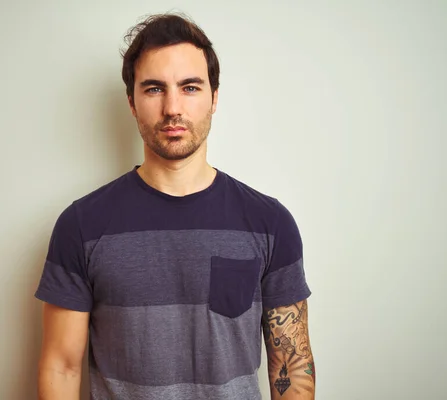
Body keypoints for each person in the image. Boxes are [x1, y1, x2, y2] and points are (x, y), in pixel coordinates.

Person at [35, 12, 315, 400]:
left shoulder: (270, 223)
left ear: (214, 98)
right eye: (153, 89)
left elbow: (293, 366)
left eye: (190, 87)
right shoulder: (82, 226)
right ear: (131, 102)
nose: (172, 108)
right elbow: (62, 367)